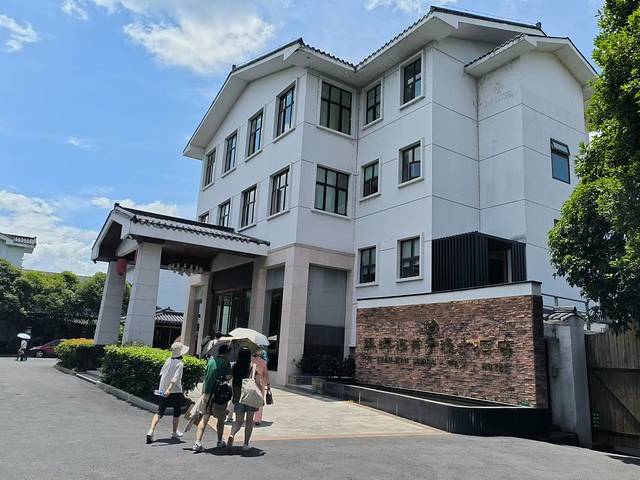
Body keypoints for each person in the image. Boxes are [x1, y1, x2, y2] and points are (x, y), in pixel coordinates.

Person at [146, 341, 189, 444]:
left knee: (159, 411)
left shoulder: (168, 360)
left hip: (163, 389)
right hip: (175, 390)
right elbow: (175, 378)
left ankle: (151, 430)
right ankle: (174, 432)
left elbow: (162, 374)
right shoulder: (180, 364)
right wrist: (169, 389)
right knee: (177, 411)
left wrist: (164, 389)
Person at [192, 344, 232, 452]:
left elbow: (206, 375)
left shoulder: (210, 361)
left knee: (205, 418)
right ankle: (219, 441)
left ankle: (197, 442)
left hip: (207, 393)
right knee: (220, 419)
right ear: (226, 352)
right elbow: (228, 377)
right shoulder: (226, 362)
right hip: (219, 395)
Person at [227, 346, 263, 452]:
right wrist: (261, 396)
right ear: (249, 356)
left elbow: (228, 378)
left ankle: (232, 435)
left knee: (238, 421)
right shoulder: (253, 367)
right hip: (250, 397)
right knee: (249, 421)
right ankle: (246, 444)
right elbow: (258, 383)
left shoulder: (235, 366)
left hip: (238, 397)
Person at [251, 349, 271, 425]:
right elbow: (266, 374)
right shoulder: (263, 362)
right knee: (260, 401)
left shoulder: (250, 361)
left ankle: (250, 417)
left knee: (250, 400)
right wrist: (268, 384)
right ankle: (257, 419)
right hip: (261, 383)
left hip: (251, 383)